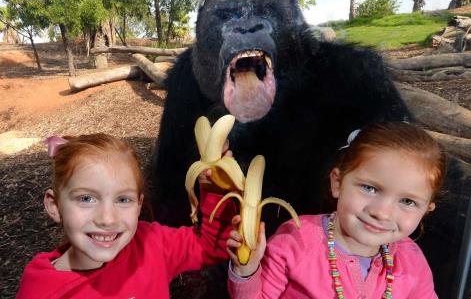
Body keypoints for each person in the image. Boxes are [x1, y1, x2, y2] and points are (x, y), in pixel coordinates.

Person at [226, 122, 446, 299]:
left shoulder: (412, 261)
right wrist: (247, 271)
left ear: (427, 209)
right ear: (338, 183)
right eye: (370, 188)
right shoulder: (295, 240)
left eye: (407, 202)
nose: (382, 213)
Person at [16, 133, 237, 299]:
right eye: (86, 199)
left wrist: (215, 189)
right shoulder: (41, 291)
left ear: (139, 205)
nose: (107, 219)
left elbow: (211, 245)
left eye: (123, 200)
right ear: (54, 205)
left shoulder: (151, 244)